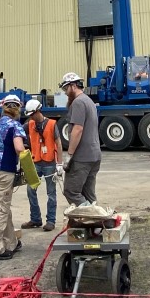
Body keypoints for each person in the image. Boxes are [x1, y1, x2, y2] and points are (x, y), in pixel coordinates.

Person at [0, 93, 27, 260]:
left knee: (0, 208)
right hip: (3, 171)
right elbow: (19, 148)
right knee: (1, 210)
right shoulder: (15, 126)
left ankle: (11, 242)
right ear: (17, 109)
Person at [55, 72, 100, 207]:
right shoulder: (89, 101)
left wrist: (69, 156)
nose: (65, 92)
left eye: (65, 89)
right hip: (94, 155)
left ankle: (93, 217)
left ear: (73, 86)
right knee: (88, 194)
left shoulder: (78, 102)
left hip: (82, 157)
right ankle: (97, 226)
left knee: (71, 191)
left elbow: (77, 130)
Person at [20, 98, 58, 231]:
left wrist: (59, 162)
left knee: (51, 193)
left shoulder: (52, 124)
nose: (31, 118)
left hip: (49, 163)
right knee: (31, 190)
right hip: (36, 162)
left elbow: (58, 142)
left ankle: (51, 221)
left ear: (37, 111)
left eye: (32, 115)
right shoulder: (30, 124)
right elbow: (18, 131)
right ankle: (35, 219)